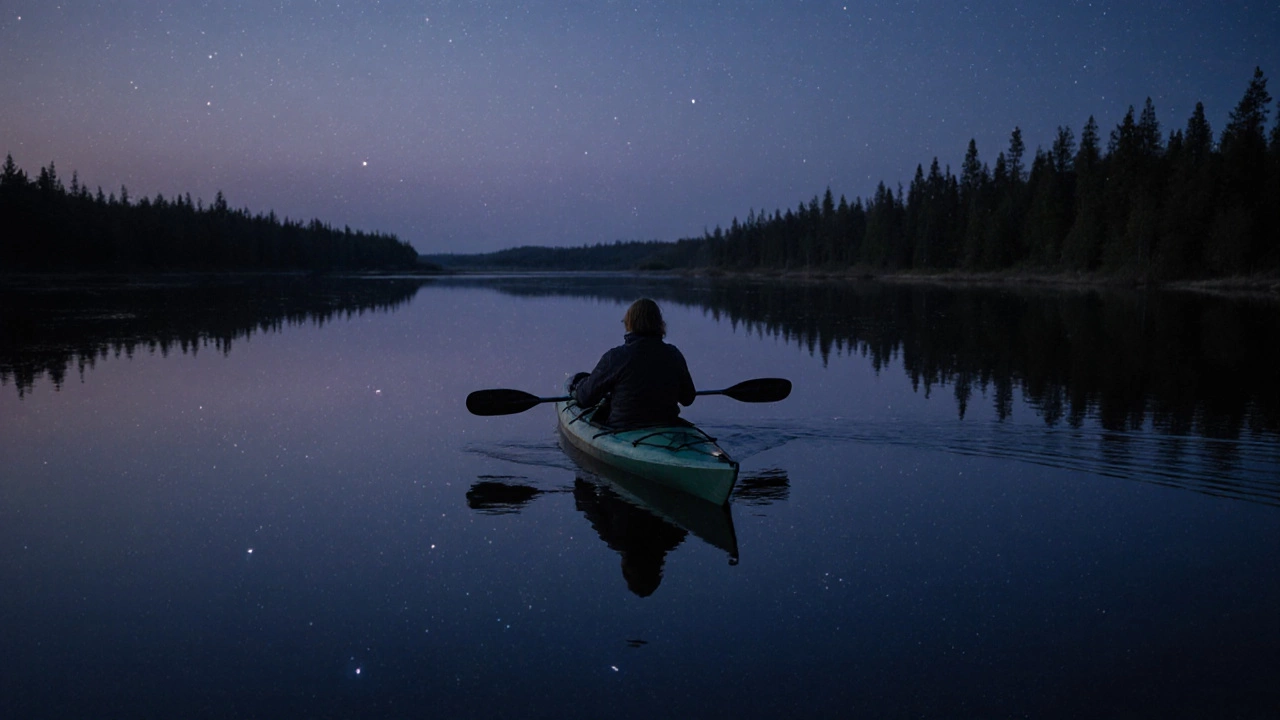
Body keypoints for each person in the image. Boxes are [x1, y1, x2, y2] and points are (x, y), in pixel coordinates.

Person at [571, 298, 695, 428]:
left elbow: (585, 398)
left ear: (630, 323)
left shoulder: (616, 357)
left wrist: (577, 386)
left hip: (624, 427)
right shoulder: (673, 354)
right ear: (659, 323)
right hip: (668, 425)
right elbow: (688, 398)